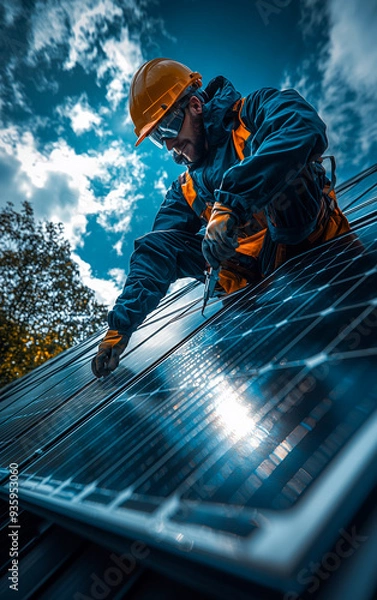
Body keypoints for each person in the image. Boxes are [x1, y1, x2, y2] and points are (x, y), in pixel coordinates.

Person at [91, 57, 350, 378]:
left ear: (196, 105)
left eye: (169, 127)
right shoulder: (185, 190)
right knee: (160, 243)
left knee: (283, 152)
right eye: (160, 138)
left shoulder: (252, 111)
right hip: (252, 286)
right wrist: (121, 325)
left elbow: (301, 122)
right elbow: (155, 255)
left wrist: (233, 199)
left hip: (310, 243)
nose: (171, 145)